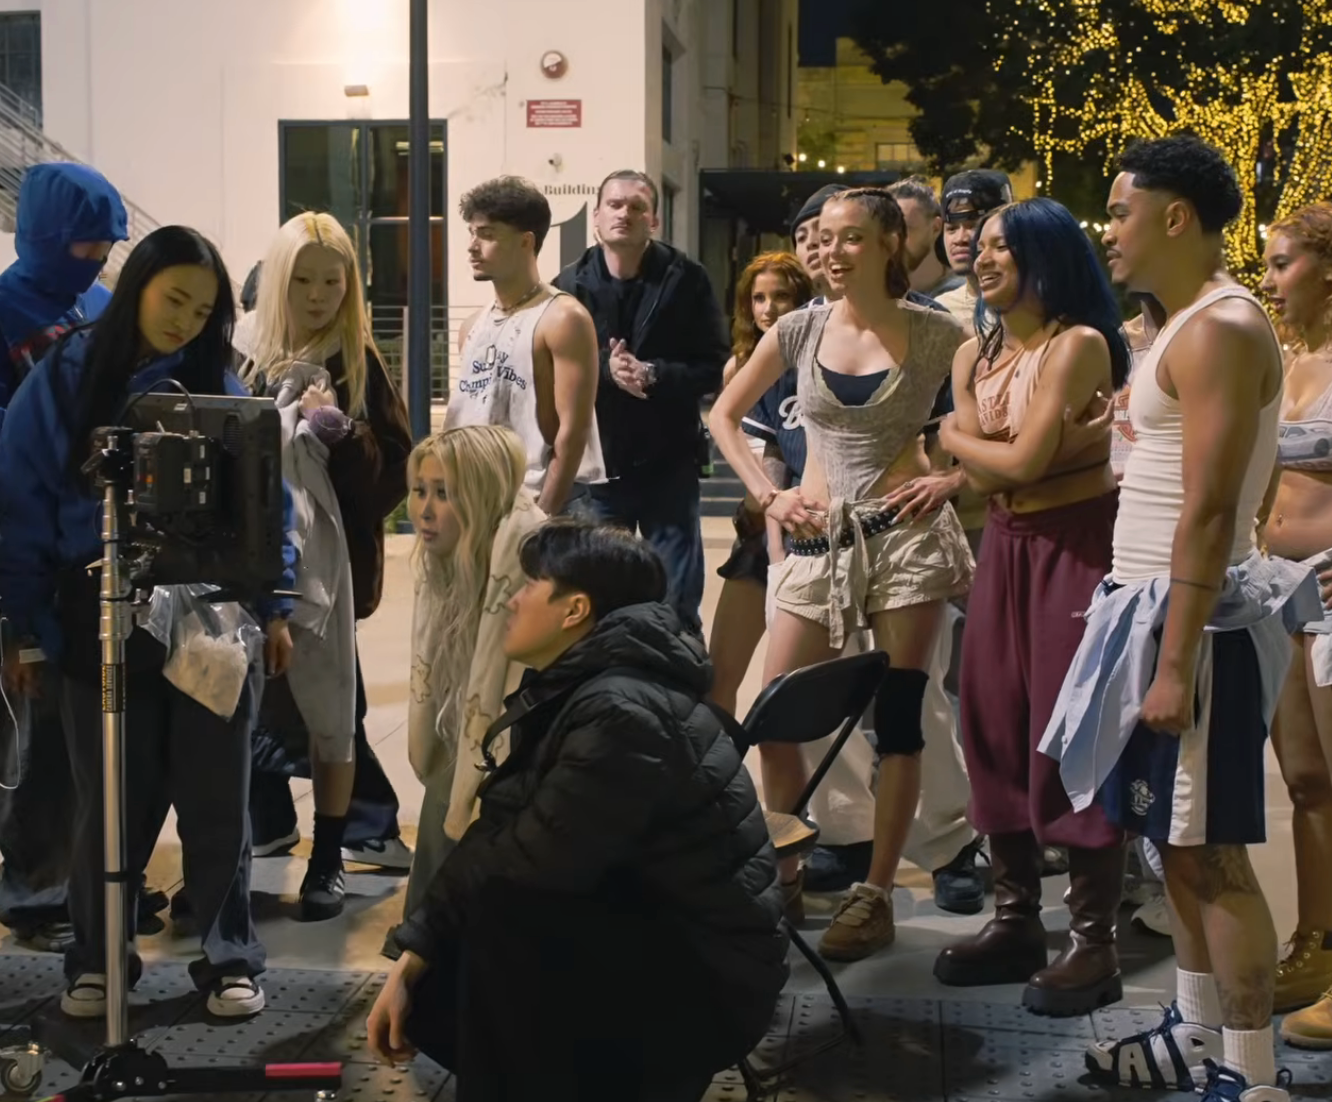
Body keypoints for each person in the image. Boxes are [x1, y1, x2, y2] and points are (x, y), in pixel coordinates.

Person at [1041, 135, 1312, 1101]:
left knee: (1210, 854)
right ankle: (1198, 1032)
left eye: (1120, 212)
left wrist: (1172, 661)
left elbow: (1209, 508)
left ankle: (1251, 1075)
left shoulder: (1220, 328)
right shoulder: (1180, 326)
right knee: (1173, 847)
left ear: (1175, 216)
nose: (1107, 231)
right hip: (1150, 609)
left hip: (1189, 627)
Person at [368, 522, 788, 1101]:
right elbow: (501, 829)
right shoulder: (584, 687)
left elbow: (528, 862)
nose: (512, 600)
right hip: (667, 941)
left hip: (708, 981)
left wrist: (425, 955)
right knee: (474, 933)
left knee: (500, 921)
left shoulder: (620, 710)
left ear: (575, 610)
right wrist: (414, 953)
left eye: (530, 584)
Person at [0, 225, 298, 1019]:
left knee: (216, 799)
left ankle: (230, 958)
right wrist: (21, 626)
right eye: (175, 300)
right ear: (138, 287)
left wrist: (276, 603)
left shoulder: (217, 380)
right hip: (94, 620)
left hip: (211, 623)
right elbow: (19, 504)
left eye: (203, 311)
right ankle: (98, 959)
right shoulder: (68, 374)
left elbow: (269, 497)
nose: (185, 321)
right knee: (108, 804)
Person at [711, 187, 975, 962]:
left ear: (890, 242)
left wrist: (952, 479)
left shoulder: (938, 332)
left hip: (906, 542)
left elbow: (985, 429)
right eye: (824, 238)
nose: (831, 251)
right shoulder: (799, 328)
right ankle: (787, 868)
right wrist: (768, 496)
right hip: (820, 542)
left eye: (851, 237)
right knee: (775, 714)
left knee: (900, 721)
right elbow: (723, 415)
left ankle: (876, 893)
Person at [931, 197, 1131, 1016]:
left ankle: (1094, 941)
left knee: (1071, 731)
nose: (982, 258)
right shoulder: (972, 353)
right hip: (1005, 549)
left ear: (1045, 255)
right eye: (978, 245)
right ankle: (1016, 921)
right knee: (992, 723)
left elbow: (1017, 463)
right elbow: (996, 475)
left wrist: (952, 439)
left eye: (1002, 246)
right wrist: (997, 457)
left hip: (1076, 547)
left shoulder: (1079, 344)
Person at [239, 211, 413, 921]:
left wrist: (340, 436)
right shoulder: (243, 354)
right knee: (235, 710)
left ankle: (332, 853)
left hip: (324, 575)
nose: (317, 296)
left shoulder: (358, 359)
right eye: (303, 280)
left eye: (332, 282)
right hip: (241, 570)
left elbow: (393, 476)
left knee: (334, 714)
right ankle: (242, 847)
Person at [0, 162, 129, 953]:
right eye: (86, 242)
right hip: (20, 540)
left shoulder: (104, 306)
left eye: (106, 244)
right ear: (48, 235)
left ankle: (77, 881)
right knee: (32, 728)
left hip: (91, 548)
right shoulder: (5, 308)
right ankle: (34, 891)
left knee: (80, 734)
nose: (98, 256)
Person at [553, 169, 729, 636]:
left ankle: (676, 676)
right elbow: (551, 368)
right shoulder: (568, 286)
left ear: (654, 220)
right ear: (596, 216)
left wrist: (653, 373)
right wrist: (606, 370)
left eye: (636, 206)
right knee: (594, 599)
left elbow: (713, 366)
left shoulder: (686, 279)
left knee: (676, 600)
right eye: (615, 204)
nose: (624, 214)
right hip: (598, 469)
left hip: (667, 466)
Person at [396, 425, 545, 941]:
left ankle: (429, 940)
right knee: (447, 776)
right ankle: (424, 936)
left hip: (532, 756)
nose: (424, 511)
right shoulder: (446, 565)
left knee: (460, 783)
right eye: (420, 490)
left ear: (482, 497)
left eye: (444, 493)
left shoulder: (533, 568)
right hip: (479, 736)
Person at [1255, 202, 1332, 1039]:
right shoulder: (1283, 358)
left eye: (1283, 264)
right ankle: (1316, 941)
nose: (1271, 280)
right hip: (1278, 586)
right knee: (1306, 779)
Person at [446, 176, 603, 515]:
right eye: (471, 233)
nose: (472, 246)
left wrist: (541, 518)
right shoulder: (471, 327)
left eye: (487, 234)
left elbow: (573, 433)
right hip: (480, 504)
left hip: (546, 503)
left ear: (526, 241)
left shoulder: (563, 318)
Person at [710, 251, 813, 716]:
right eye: (758, 298)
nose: (768, 309)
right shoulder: (741, 367)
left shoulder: (826, 358)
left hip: (814, 531)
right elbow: (761, 460)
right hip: (760, 529)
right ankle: (720, 760)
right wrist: (764, 517)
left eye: (781, 296)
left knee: (794, 685)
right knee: (718, 674)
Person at [936, 170, 1014, 337]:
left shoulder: (1033, 305)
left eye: (972, 225)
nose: (960, 239)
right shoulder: (939, 311)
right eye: (951, 228)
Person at [889, 177, 965, 300]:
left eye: (904, 229)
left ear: (935, 228)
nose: (894, 239)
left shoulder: (962, 296)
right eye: (887, 230)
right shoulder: (878, 295)